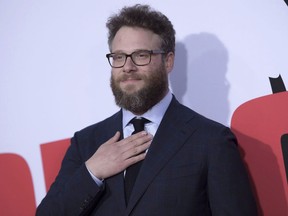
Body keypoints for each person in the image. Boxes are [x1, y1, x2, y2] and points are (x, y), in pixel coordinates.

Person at [36, 4, 258, 216]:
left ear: (168, 61)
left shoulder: (211, 141)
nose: (127, 67)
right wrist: (93, 172)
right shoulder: (86, 143)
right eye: (119, 57)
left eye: (141, 55)